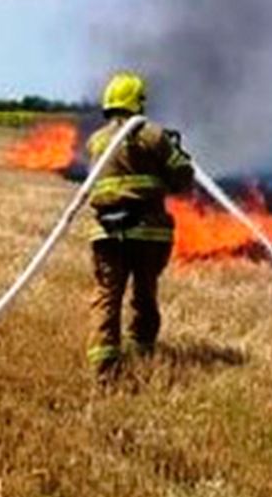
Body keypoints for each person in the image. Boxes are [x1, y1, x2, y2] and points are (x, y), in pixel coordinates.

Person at [83, 70, 195, 381]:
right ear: (138, 102)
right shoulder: (153, 135)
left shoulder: (96, 141)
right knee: (144, 295)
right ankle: (143, 354)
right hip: (147, 232)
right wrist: (176, 157)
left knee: (107, 296)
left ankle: (103, 369)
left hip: (106, 232)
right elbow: (183, 176)